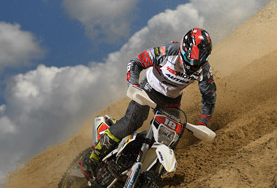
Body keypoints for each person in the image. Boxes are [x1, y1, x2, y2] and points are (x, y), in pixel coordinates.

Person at [80, 28, 217, 179]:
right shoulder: (168, 51)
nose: (192, 67)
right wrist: (134, 84)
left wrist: (203, 122)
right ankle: (92, 156)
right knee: (133, 120)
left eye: (197, 64)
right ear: (184, 49)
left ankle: (137, 170)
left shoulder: (204, 70)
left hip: (171, 101)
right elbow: (136, 62)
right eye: (190, 61)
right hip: (149, 89)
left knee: (167, 139)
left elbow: (209, 97)